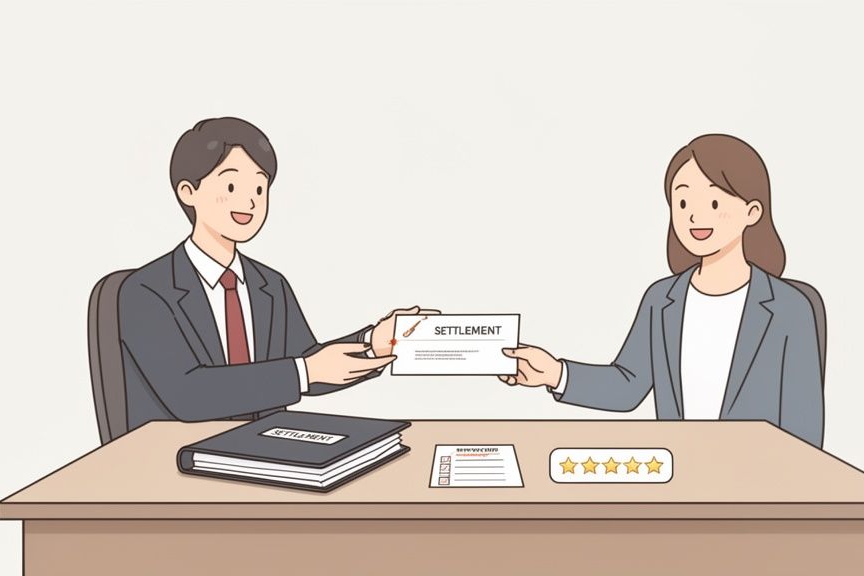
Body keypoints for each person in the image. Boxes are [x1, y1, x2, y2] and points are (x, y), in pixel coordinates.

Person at [499, 134, 824, 448]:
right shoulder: (662, 300)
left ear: (752, 212)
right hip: (681, 479)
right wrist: (555, 373)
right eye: (682, 202)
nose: (695, 216)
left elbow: (804, 428)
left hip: (758, 486)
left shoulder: (789, 308)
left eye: (713, 201)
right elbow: (628, 386)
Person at [119, 117, 436, 430]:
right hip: (173, 460)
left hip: (265, 452)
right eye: (231, 186)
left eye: (259, 187)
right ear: (188, 192)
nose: (249, 202)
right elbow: (188, 395)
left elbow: (309, 365)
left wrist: (373, 342)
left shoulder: (269, 284)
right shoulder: (146, 291)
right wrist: (305, 371)